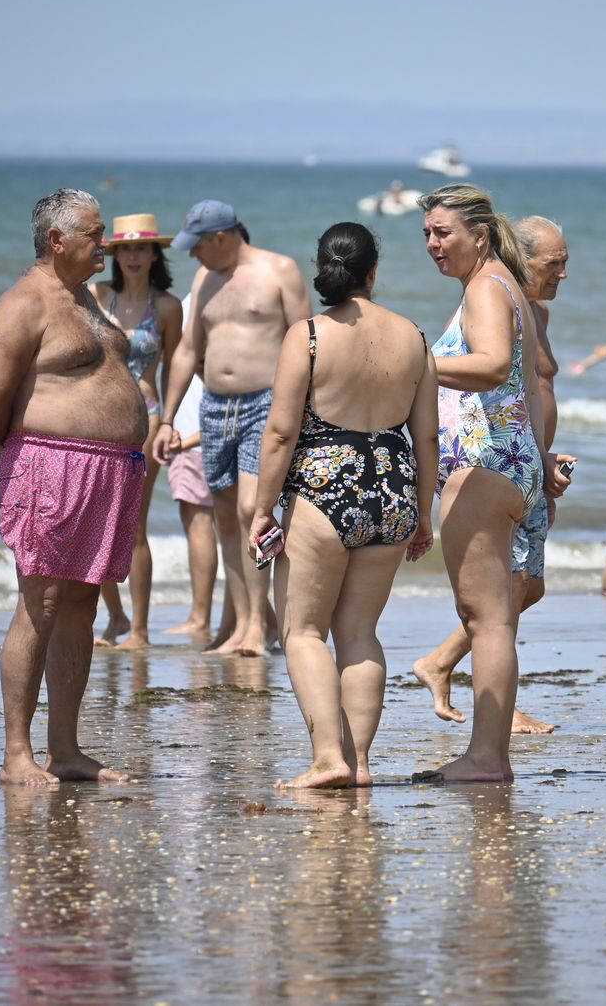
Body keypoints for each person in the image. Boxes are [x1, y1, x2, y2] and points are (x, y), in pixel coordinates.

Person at [250, 222, 439, 788]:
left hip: (324, 489)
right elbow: (426, 436)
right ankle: (357, 765)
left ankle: (327, 757)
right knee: (359, 631)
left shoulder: (307, 336)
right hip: (393, 490)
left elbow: (281, 434)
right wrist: (424, 513)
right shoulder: (414, 336)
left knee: (304, 631)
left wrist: (261, 509)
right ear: (373, 272)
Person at [0, 189, 146, 786]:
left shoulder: (86, 300)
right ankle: (16, 755)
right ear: (57, 240)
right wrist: (17, 455)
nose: (106, 244)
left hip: (110, 469)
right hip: (51, 468)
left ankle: (66, 749)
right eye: (95, 235)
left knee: (81, 605)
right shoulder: (22, 305)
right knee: (40, 604)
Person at [412, 184, 568, 784]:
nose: (433, 244)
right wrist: (541, 460)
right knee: (494, 615)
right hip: (512, 460)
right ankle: (489, 754)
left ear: (480, 234)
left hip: (486, 464)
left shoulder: (484, 287)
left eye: (443, 232)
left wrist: (411, 359)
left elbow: (494, 365)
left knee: (487, 620)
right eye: (426, 233)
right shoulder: (506, 286)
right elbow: (528, 382)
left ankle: (486, 758)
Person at [152, 200, 310, 657]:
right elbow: (186, 352)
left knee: (249, 509)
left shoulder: (279, 270)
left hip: (267, 402)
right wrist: (167, 418)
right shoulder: (205, 279)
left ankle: (260, 627)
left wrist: (301, 410)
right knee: (224, 517)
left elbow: (306, 341)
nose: (193, 256)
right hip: (215, 407)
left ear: (221, 237)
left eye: (198, 246)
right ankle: (244, 626)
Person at [88, 214, 183, 650]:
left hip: (144, 416)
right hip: (95, 418)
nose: (132, 256)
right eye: (124, 249)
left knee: (133, 527)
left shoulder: (166, 307)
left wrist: (170, 421)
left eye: (140, 248)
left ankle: (140, 630)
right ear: (113, 254)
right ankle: (115, 616)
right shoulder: (95, 296)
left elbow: (177, 369)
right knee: (94, 524)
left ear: (153, 253)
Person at [161, 292, 226, 642]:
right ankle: (255, 618)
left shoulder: (194, 301)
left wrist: (179, 433)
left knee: (199, 520)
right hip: (209, 429)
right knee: (228, 528)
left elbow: (199, 364)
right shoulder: (225, 296)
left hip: (196, 429)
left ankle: (200, 617)